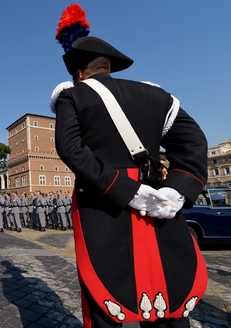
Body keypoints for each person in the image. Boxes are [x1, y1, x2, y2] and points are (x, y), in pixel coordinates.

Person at [52, 4, 207, 328]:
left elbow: (69, 147)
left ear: (79, 73)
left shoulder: (74, 96)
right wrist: (177, 192)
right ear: (109, 67)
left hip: (103, 202)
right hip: (161, 203)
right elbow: (193, 142)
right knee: (169, 294)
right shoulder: (157, 96)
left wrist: (125, 190)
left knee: (105, 300)